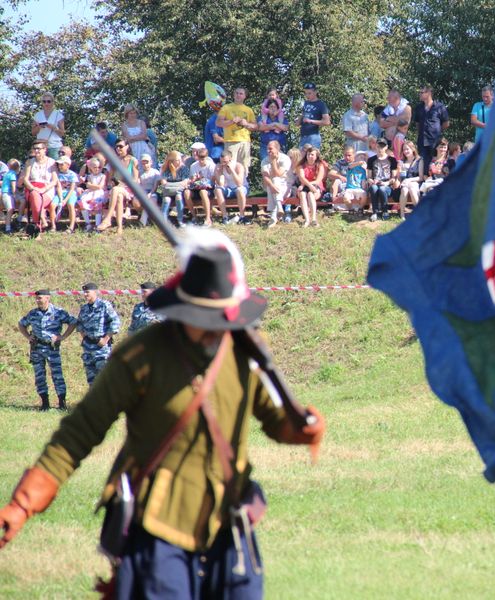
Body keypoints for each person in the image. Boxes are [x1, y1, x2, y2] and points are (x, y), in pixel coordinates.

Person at [0, 231, 325, 599]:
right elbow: (79, 432)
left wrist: (302, 428)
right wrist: (24, 503)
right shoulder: (141, 355)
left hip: (230, 519)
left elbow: (276, 419)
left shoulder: (247, 348)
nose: (217, 325)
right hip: (158, 526)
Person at [18, 289, 79, 410]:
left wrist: (63, 337)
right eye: (36, 298)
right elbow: (21, 324)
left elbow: (73, 322)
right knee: (39, 376)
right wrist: (28, 336)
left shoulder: (58, 312)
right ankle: (45, 403)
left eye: (40, 298)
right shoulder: (33, 313)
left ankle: (62, 403)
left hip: (52, 348)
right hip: (37, 348)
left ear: (47, 298)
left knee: (57, 375)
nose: (37, 300)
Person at [77, 282, 121, 386]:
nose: (85, 295)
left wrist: (106, 339)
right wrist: (85, 337)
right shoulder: (84, 308)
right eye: (84, 292)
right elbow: (79, 324)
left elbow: (115, 321)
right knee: (91, 380)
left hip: (101, 349)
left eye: (87, 292)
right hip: (88, 349)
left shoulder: (104, 305)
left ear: (95, 292)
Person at [22, 140, 59, 239]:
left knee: (37, 200)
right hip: (32, 187)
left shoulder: (52, 162)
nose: (36, 150)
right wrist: (33, 188)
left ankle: (34, 231)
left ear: (45, 149)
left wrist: (44, 189)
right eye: (35, 148)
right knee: (35, 196)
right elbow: (25, 179)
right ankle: (37, 230)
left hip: (47, 189)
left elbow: (54, 181)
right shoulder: (29, 162)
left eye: (39, 148)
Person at [216, 87, 257, 173]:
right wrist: (232, 121)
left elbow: (255, 127)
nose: (238, 95)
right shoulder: (226, 107)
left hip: (245, 142)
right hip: (230, 141)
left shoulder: (249, 110)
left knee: (244, 167)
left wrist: (246, 124)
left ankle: (243, 181)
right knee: (229, 166)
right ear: (233, 95)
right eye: (236, 93)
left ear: (245, 96)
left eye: (241, 93)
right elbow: (218, 123)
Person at [413, 85, 450, 172]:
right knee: (423, 164)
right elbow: (417, 123)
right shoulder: (418, 107)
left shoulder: (440, 107)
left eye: (421, 92)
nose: (419, 94)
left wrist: (437, 131)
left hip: (435, 141)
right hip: (422, 141)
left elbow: (446, 123)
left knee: (435, 162)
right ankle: (424, 178)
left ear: (429, 93)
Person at [212, 150, 248, 225]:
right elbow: (221, 184)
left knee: (239, 190)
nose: (223, 163)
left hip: (241, 188)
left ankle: (242, 216)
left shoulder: (238, 166)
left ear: (230, 159)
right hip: (229, 189)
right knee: (218, 190)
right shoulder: (220, 166)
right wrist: (217, 173)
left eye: (225, 162)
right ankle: (225, 217)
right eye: (221, 161)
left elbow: (239, 183)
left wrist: (232, 170)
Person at [261, 140, 291, 228]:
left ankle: (273, 217)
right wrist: (272, 186)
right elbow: (265, 176)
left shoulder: (285, 158)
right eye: (267, 149)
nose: (268, 151)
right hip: (272, 186)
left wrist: (273, 161)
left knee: (275, 179)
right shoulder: (265, 161)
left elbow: (278, 174)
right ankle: (279, 207)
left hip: (285, 187)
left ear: (277, 149)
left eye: (270, 149)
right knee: (272, 184)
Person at [367, 138, 398, 221]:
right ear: (375, 146)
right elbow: (369, 177)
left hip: (387, 185)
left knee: (382, 188)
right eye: (378, 146)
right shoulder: (371, 160)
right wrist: (371, 181)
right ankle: (374, 212)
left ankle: (385, 211)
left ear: (386, 147)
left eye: (382, 146)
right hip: (375, 183)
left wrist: (387, 183)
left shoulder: (392, 160)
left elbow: (394, 177)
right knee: (374, 188)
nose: (380, 148)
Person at [157, 151, 190, 228]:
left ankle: (180, 220)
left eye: (180, 159)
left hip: (178, 191)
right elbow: (163, 183)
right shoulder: (165, 168)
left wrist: (170, 185)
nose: (180, 161)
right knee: (166, 199)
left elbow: (185, 183)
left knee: (178, 197)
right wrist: (178, 185)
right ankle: (163, 223)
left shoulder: (184, 168)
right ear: (171, 161)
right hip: (166, 192)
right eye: (177, 160)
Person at [186, 148, 217, 227]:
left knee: (203, 192)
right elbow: (192, 180)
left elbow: (213, 181)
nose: (201, 161)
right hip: (196, 187)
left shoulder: (211, 165)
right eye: (199, 158)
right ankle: (194, 216)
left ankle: (208, 219)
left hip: (208, 188)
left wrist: (204, 181)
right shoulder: (193, 166)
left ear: (206, 157)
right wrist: (195, 179)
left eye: (203, 159)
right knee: (186, 192)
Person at [297, 146, 326, 228]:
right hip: (305, 185)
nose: (310, 156)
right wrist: (308, 185)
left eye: (312, 155)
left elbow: (318, 180)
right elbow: (302, 178)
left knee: (310, 194)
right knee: (302, 194)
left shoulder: (320, 165)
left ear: (316, 156)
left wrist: (309, 185)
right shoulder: (301, 165)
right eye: (308, 154)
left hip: (316, 185)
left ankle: (313, 219)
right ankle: (307, 220)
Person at [257, 89, 289, 164]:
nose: (273, 108)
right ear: (267, 108)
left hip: (280, 146)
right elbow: (261, 127)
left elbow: (286, 128)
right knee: (266, 166)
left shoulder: (282, 117)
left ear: (278, 108)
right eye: (271, 107)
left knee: (280, 166)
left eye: (274, 107)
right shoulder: (262, 117)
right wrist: (275, 125)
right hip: (265, 147)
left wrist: (274, 124)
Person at [380, 89, 412, 160]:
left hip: (399, 141)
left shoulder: (406, 108)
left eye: (389, 97)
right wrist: (396, 121)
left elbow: (403, 122)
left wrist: (388, 118)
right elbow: (381, 124)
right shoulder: (387, 109)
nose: (387, 99)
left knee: (398, 161)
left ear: (396, 98)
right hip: (387, 141)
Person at [31, 93, 66, 159]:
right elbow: (33, 133)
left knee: (54, 164)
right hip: (41, 146)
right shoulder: (37, 115)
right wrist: (39, 127)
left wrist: (54, 128)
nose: (46, 103)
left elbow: (62, 133)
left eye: (48, 101)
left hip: (54, 147)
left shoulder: (58, 115)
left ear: (52, 102)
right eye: (44, 101)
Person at [298, 82, 331, 148]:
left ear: (315, 92)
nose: (307, 95)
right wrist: (299, 120)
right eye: (305, 93)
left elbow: (327, 122)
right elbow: (303, 115)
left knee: (312, 154)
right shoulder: (306, 103)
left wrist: (311, 121)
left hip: (313, 137)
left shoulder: (321, 104)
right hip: (303, 136)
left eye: (309, 93)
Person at [397, 141, 424, 220]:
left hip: (415, 182)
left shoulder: (419, 160)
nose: (405, 151)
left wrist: (409, 180)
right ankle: (402, 214)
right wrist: (399, 169)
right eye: (404, 150)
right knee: (404, 190)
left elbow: (421, 177)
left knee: (412, 188)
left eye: (407, 149)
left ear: (413, 149)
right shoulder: (402, 161)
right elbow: (400, 177)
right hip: (404, 183)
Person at [79, 158, 108, 232]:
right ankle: (88, 223)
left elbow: (100, 186)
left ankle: (97, 225)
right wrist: (92, 186)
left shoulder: (102, 176)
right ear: (91, 168)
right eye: (95, 167)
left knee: (97, 204)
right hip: (90, 192)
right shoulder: (89, 176)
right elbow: (88, 185)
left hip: (99, 193)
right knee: (82, 202)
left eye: (99, 167)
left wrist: (91, 185)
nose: (97, 169)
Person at [54, 156, 80, 233]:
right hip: (60, 193)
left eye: (62, 164)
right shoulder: (57, 174)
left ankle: (71, 227)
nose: (60, 166)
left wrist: (65, 200)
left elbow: (72, 189)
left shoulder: (72, 174)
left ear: (68, 165)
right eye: (59, 164)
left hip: (71, 193)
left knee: (70, 205)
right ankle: (53, 225)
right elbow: (58, 187)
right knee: (52, 205)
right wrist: (61, 199)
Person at [137, 154, 161, 227]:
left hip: (152, 191)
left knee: (152, 199)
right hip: (142, 192)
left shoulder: (155, 172)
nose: (145, 165)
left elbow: (155, 186)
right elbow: (138, 184)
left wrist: (150, 193)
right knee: (138, 201)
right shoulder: (140, 172)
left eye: (147, 163)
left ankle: (143, 221)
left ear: (151, 162)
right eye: (143, 163)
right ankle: (147, 217)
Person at [1, 159, 20, 233]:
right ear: (17, 167)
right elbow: (13, 186)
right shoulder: (12, 174)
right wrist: (15, 195)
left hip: (4, 193)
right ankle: (7, 228)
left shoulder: (7, 173)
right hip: (7, 194)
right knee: (10, 209)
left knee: (10, 209)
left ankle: (9, 224)